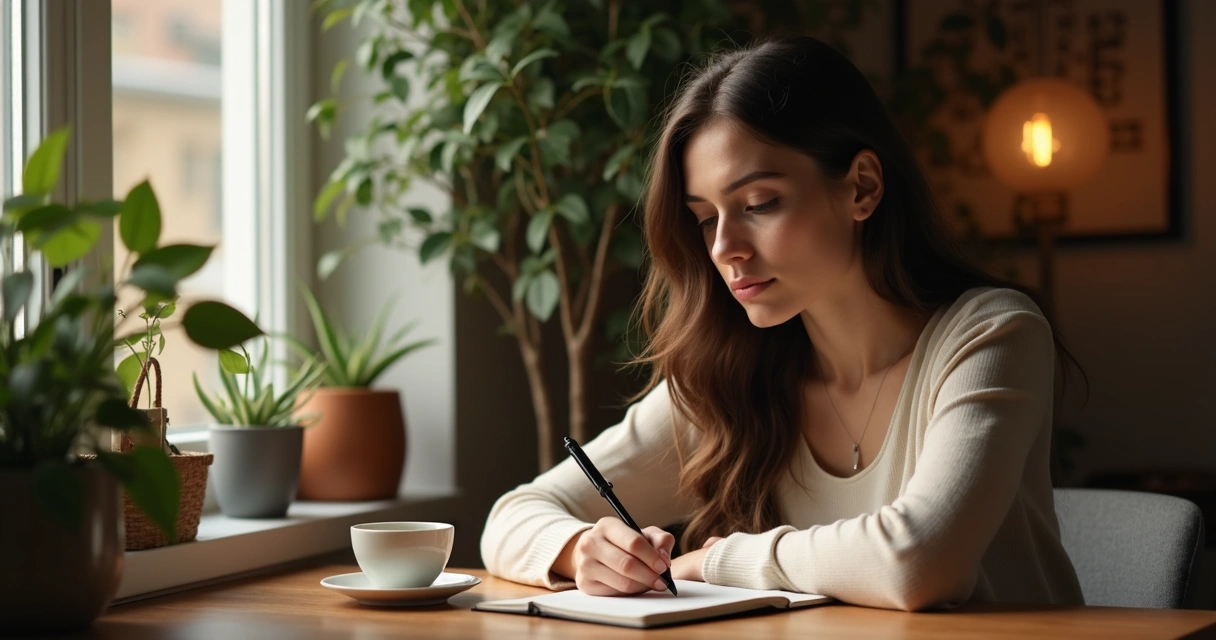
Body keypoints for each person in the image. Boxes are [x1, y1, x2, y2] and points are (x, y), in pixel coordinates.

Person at [479, 34, 1084, 611]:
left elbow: (919, 561)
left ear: (862, 188)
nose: (724, 248)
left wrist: (716, 563)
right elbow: (516, 512)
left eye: (759, 204)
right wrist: (580, 549)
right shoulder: (730, 376)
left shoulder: (991, 335)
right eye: (705, 218)